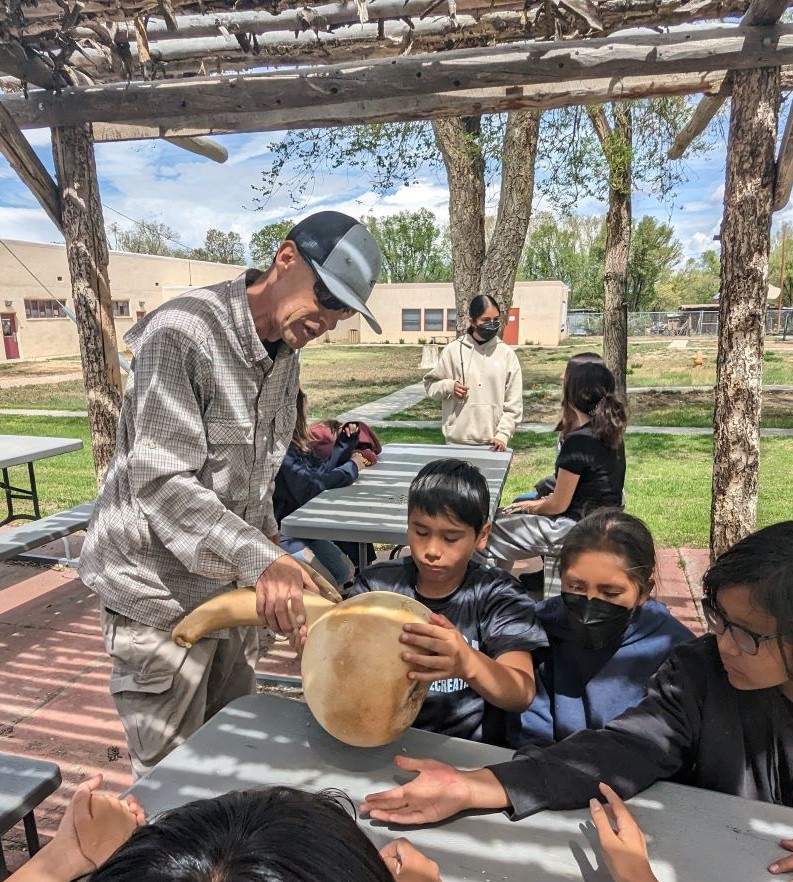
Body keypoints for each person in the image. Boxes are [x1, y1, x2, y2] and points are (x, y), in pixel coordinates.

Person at [78, 211, 383, 778]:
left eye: (343, 310)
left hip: (229, 595)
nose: (328, 320)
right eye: (326, 297)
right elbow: (162, 483)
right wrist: (262, 559)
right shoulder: (183, 334)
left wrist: (275, 554)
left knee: (233, 765)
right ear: (285, 258)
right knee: (171, 786)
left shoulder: (285, 353)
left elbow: (257, 480)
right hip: (157, 599)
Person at [359, 520, 793, 882]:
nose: (723, 643)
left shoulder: (672, 648)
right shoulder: (701, 670)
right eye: (720, 620)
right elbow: (623, 748)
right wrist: (472, 785)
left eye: (747, 634)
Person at [346, 458, 547, 742]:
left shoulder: (499, 595)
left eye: (451, 538)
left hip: (464, 749)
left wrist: (467, 663)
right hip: (380, 738)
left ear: (482, 535)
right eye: (420, 532)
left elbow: (521, 692)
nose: (431, 550)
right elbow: (346, 668)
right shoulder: (376, 586)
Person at [509, 509, 693, 747]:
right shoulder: (536, 629)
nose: (589, 607)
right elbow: (528, 729)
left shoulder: (676, 652)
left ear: (644, 592)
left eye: (611, 593)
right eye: (576, 587)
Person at [484, 359, 627, 569]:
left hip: (573, 529)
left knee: (482, 533)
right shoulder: (610, 434)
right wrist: (533, 504)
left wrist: (531, 508)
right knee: (507, 514)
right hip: (601, 524)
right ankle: (506, 581)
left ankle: (494, 585)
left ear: (573, 395)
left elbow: (558, 505)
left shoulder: (578, 442)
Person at [273, 390, 369, 586]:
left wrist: (344, 444)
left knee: (345, 572)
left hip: (303, 529)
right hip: (281, 534)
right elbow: (312, 487)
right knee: (329, 583)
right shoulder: (280, 451)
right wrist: (352, 467)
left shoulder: (296, 444)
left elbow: (319, 472)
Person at [423, 295, 522, 451]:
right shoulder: (453, 351)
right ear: (472, 321)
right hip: (455, 443)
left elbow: (514, 404)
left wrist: (503, 434)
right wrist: (449, 386)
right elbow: (431, 386)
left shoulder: (507, 355)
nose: (492, 324)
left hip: (493, 445)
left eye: (496, 320)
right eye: (486, 320)